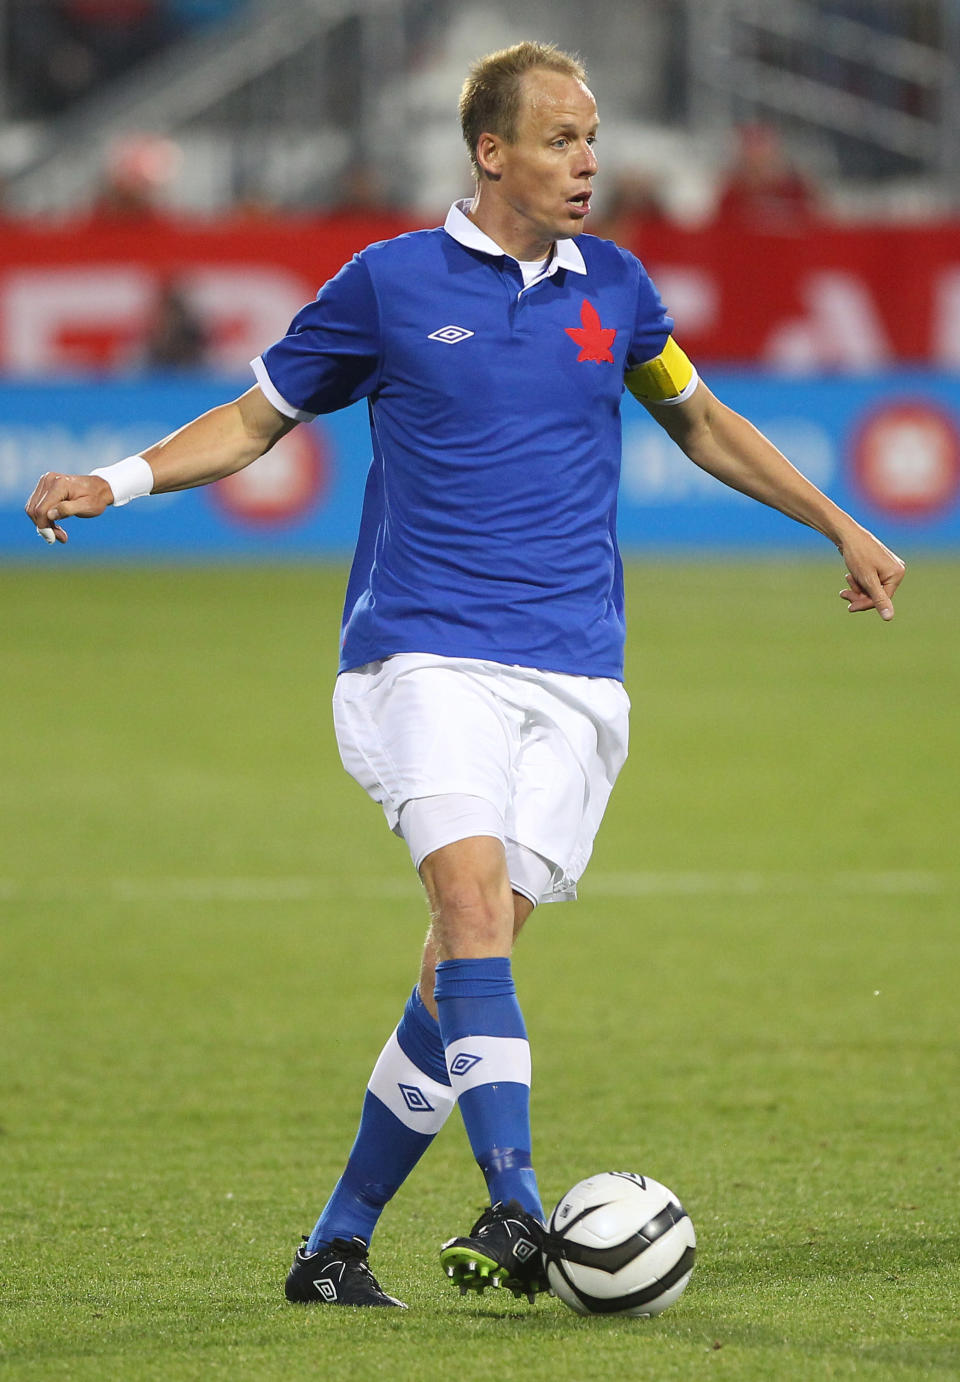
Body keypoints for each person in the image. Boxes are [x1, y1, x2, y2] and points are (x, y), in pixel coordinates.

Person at [26, 41, 905, 1310]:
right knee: (476, 914)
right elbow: (256, 415)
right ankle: (518, 1206)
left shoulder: (615, 289)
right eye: (560, 138)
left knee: (459, 967)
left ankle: (335, 1243)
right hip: (421, 652)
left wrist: (840, 521)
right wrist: (114, 479)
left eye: (593, 137)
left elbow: (700, 419)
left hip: (579, 681)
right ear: (491, 152)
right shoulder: (388, 284)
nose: (588, 159)